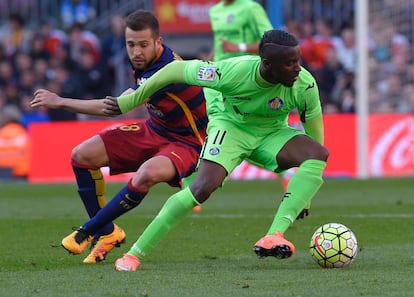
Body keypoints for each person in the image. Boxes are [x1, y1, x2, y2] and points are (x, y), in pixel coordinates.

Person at [97, 29, 329, 271]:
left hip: (272, 133)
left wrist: (306, 196)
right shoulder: (233, 72)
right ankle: (134, 255)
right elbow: (175, 70)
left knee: (318, 153)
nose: (297, 68)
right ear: (268, 64)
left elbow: (316, 135)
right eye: (290, 63)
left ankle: (274, 235)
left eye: (298, 60)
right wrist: (130, 101)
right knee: (202, 188)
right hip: (230, 127)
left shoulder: (305, 84)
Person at [30, 10, 207, 264]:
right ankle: (108, 233)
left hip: (187, 142)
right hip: (155, 128)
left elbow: (112, 108)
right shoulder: (144, 61)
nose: (136, 52)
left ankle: (87, 230)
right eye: (131, 44)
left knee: (146, 175)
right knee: (81, 156)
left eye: (143, 45)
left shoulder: (166, 69)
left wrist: (60, 101)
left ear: (159, 42)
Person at [208, 0, 294, 189]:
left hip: (245, 79)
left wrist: (238, 47)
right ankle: (200, 181)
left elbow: (273, 45)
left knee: (248, 133)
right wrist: (208, 62)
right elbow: (220, 44)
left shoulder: (251, 8)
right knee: (210, 124)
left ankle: (285, 170)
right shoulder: (215, 11)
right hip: (219, 78)